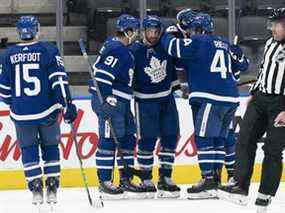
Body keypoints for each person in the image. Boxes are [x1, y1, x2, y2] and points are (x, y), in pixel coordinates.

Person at [161, 12, 249, 199]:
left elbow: (171, 47)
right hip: (231, 99)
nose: (191, 33)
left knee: (204, 138)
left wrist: (167, 32)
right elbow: (242, 66)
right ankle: (216, 178)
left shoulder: (198, 42)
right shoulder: (224, 43)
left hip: (211, 98)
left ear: (200, 30)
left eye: (193, 30)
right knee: (218, 139)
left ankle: (208, 179)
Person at [0, 16, 77, 205]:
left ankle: (35, 188)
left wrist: (16, 104)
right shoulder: (48, 50)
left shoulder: (7, 55)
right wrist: (67, 104)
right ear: (37, 30)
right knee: (50, 147)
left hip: (21, 114)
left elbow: (3, 90)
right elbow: (58, 80)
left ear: (19, 32)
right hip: (47, 111)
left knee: (28, 149)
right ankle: (51, 186)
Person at [218, 8, 285, 212]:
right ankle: (240, 186)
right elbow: (264, 70)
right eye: (271, 24)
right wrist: (253, 93)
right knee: (245, 139)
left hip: (281, 104)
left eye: (276, 24)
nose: (272, 28)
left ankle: (265, 194)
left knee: (273, 150)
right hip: (260, 99)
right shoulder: (271, 43)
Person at [88, 14, 143, 199]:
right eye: (134, 31)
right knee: (108, 141)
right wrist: (104, 101)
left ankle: (125, 179)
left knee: (128, 139)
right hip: (111, 102)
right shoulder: (116, 48)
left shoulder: (122, 48)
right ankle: (105, 181)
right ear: (127, 31)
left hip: (123, 102)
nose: (136, 35)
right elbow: (101, 77)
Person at [129, 15, 181, 198]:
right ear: (143, 32)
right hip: (144, 101)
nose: (153, 35)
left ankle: (165, 177)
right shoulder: (134, 50)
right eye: (150, 31)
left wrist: (177, 88)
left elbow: (173, 68)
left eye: (156, 32)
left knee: (170, 137)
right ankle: (145, 178)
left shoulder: (165, 46)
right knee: (147, 140)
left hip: (166, 99)